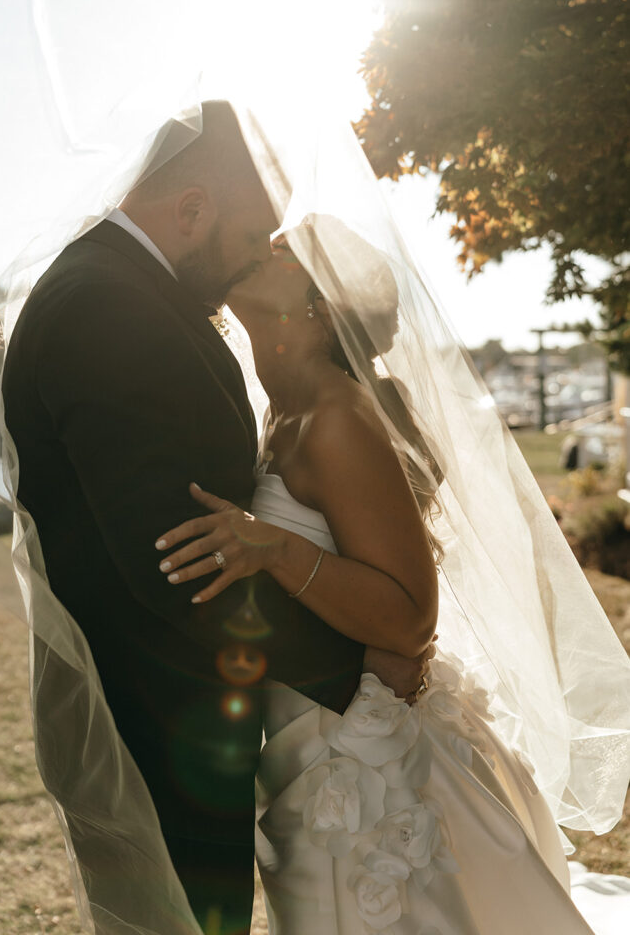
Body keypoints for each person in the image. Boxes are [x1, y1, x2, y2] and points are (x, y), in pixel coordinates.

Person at [1, 104, 431, 935]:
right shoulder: (109, 307)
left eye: (279, 249)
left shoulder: (132, 297)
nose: (263, 250)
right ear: (191, 210)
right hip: (163, 722)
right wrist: (356, 680)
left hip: (233, 727)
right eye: (256, 233)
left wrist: (369, 679)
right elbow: (176, 570)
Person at [154, 232, 600, 933]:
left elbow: (408, 620)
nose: (261, 245)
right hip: (309, 729)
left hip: (366, 757)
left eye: (285, 250)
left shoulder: (336, 420)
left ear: (318, 312)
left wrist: (269, 546)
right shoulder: (285, 411)